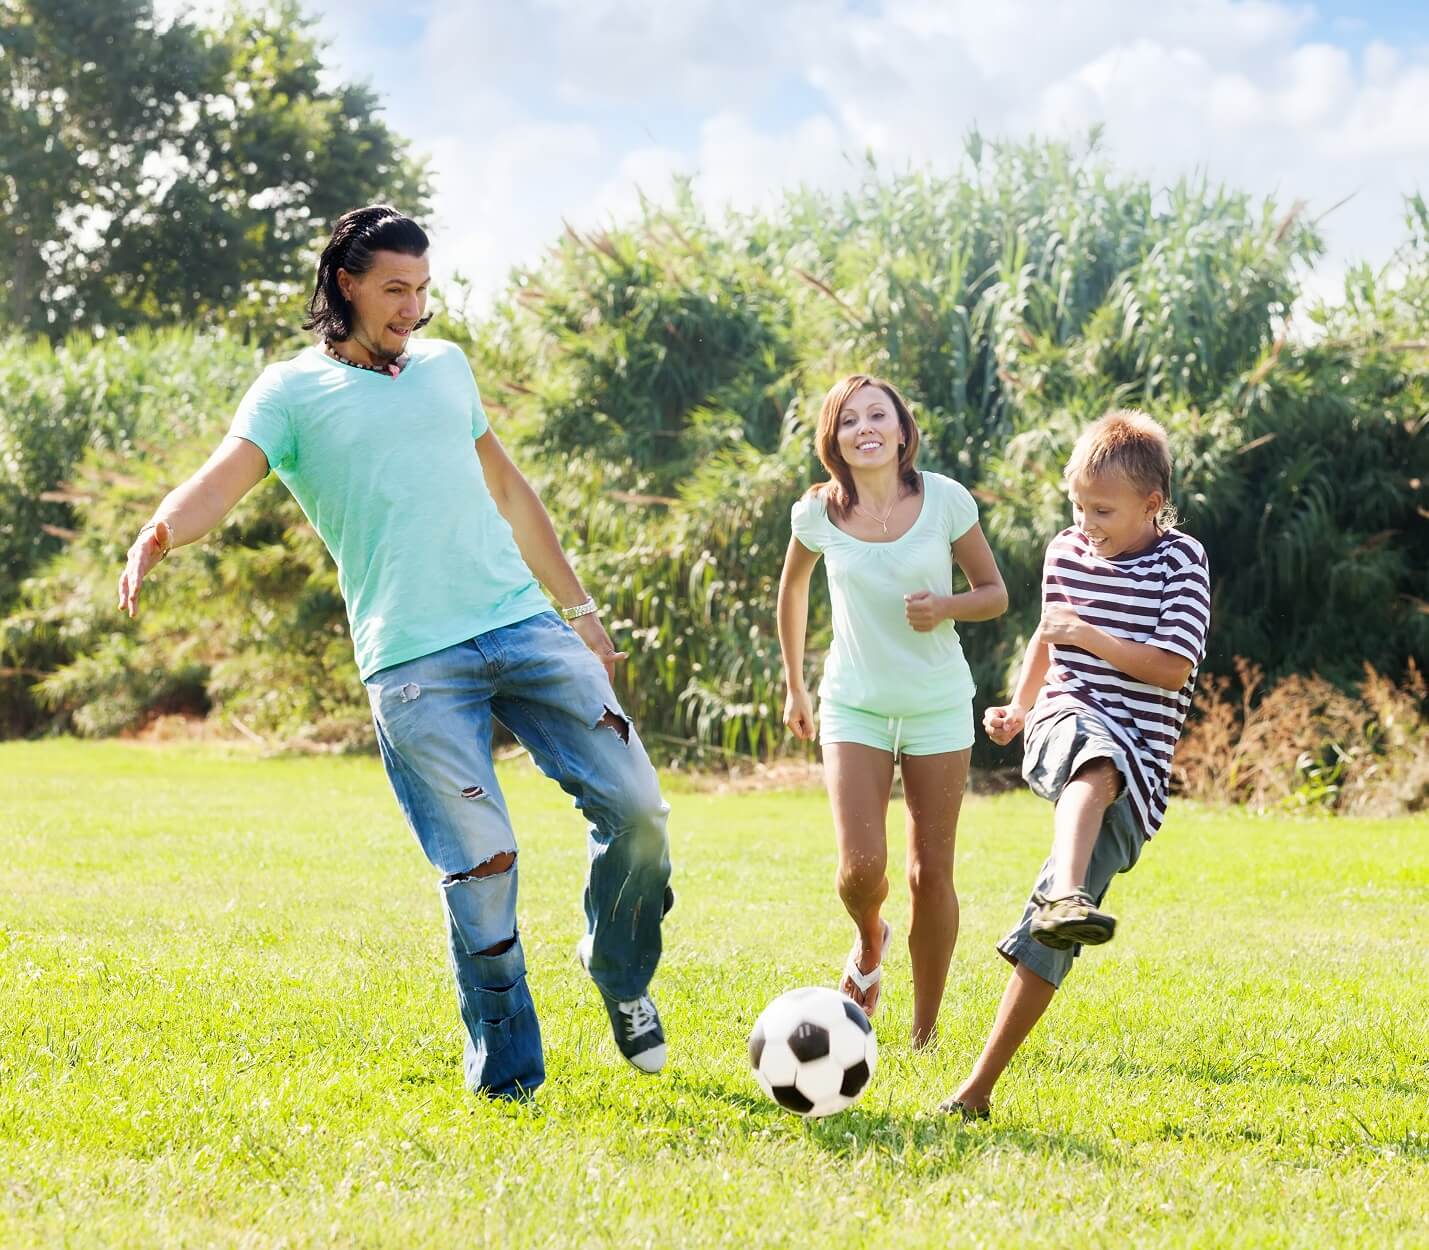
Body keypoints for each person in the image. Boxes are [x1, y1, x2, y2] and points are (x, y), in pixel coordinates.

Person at [116, 204, 672, 1100]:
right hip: (415, 662)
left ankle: (618, 971)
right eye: (393, 290)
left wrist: (579, 609)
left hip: (521, 623)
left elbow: (509, 489)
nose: (412, 308)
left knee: (640, 812)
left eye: (422, 288)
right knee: (482, 868)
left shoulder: (447, 367)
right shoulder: (291, 392)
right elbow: (223, 477)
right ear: (347, 284)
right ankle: (509, 1080)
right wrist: (158, 533)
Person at [940, 409, 1210, 1120]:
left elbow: (1172, 669)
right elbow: (1045, 638)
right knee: (1092, 763)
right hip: (1070, 715)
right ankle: (1068, 895)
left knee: (1046, 942)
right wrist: (1020, 707)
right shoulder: (1064, 550)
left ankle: (976, 1090)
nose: (1085, 523)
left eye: (1103, 510)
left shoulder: (1180, 560)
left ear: (1152, 505)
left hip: (1142, 766)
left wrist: (1086, 634)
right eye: (1077, 506)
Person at [777, 374, 1007, 1047]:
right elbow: (791, 592)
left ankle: (923, 1034)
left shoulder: (943, 501)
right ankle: (869, 942)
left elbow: (992, 592)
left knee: (929, 873)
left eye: (878, 416)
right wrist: (794, 685)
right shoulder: (816, 512)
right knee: (860, 869)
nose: (865, 428)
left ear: (902, 432)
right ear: (833, 441)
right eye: (848, 420)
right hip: (854, 706)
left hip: (937, 706)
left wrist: (946, 607)